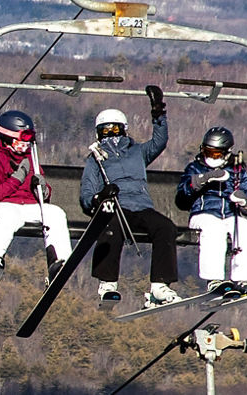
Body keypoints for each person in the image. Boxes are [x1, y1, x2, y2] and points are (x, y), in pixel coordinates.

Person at [80, 85, 186, 306]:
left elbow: (159, 141)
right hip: (116, 208)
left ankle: (160, 284)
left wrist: (158, 112)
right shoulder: (96, 159)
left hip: (141, 206)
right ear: (99, 134)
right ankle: (107, 282)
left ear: (124, 129)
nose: (111, 135)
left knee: (165, 227)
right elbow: (87, 194)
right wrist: (100, 198)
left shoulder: (138, 152)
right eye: (106, 131)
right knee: (110, 228)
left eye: (115, 130)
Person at [0, 110, 71, 280]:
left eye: (27, 141)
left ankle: (59, 260)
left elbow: (44, 196)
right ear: (8, 138)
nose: (25, 145)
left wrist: (42, 188)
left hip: (28, 205)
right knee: (11, 217)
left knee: (55, 213)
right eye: (21, 141)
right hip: (3, 206)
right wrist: (16, 179)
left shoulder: (31, 158)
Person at [177, 126, 247, 299]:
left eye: (216, 154)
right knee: (214, 229)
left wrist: (244, 201)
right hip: (203, 214)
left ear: (227, 153)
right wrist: (202, 180)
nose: (210, 157)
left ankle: (242, 278)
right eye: (207, 152)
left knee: (246, 230)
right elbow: (182, 195)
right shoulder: (195, 168)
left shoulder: (237, 172)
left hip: (231, 215)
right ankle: (214, 279)